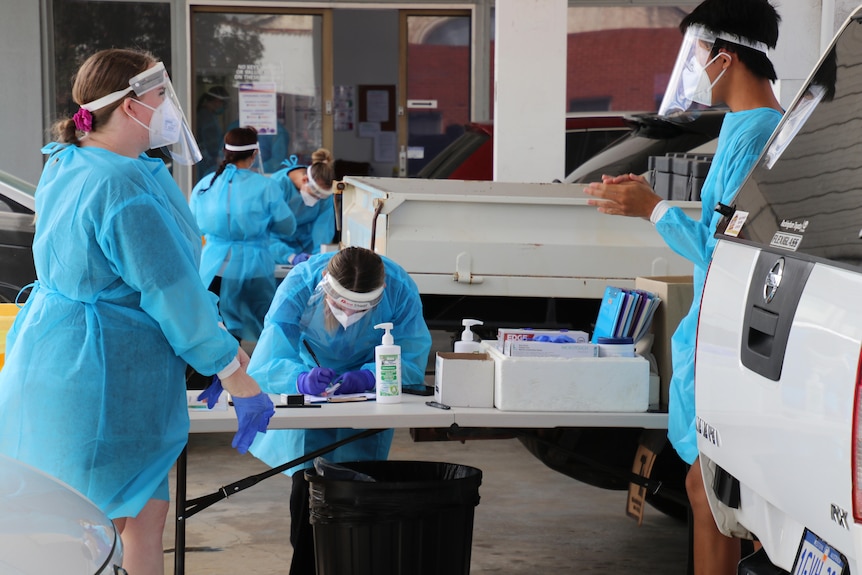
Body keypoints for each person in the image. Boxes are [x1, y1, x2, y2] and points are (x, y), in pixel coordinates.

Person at [0, 49, 275, 575]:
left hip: (69, 358)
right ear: (130, 106)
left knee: (140, 518)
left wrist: (219, 344)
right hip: (99, 377)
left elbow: (171, 281)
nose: (169, 107)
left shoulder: (76, 160)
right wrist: (233, 372)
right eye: (159, 97)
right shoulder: (121, 186)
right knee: (93, 529)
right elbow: (170, 291)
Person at [583, 2, 783, 574]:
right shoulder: (742, 129)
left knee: (712, 491)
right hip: (720, 335)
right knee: (712, 492)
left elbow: (732, 253)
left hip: (738, 342)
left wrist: (654, 210)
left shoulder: (759, 134)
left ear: (724, 58)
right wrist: (649, 196)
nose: (693, 68)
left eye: (697, 56)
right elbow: (724, 229)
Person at [246, 246, 432, 575]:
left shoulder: (400, 289)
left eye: (360, 308)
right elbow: (269, 354)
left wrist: (371, 376)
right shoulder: (300, 284)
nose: (348, 315)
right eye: (341, 304)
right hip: (310, 380)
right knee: (309, 486)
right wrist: (298, 379)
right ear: (324, 283)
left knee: (358, 486)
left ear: (381, 292)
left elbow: (412, 353)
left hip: (369, 393)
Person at [190, 126, 297, 343]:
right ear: (255, 153)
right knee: (264, 334)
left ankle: (220, 377)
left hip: (213, 269)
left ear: (225, 151)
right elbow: (287, 226)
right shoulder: (265, 186)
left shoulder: (205, 185)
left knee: (218, 335)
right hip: (254, 270)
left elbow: (193, 226)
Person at [270, 149, 337, 265]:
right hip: (274, 246)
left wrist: (318, 255)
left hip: (307, 246)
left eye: (322, 197)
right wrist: (289, 256)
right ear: (305, 180)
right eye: (315, 195)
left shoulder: (324, 195)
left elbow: (323, 228)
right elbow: (264, 230)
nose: (317, 200)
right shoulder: (277, 186)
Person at [196, 85, 230, 178]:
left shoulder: (206, 114)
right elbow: (211, 144)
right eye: (223, 103)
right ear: (217, 101)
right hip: (207, 161)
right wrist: (216, 158)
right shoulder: (207, 117)